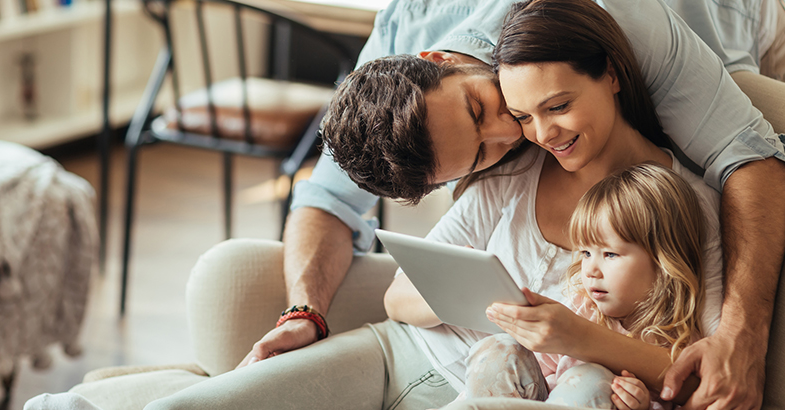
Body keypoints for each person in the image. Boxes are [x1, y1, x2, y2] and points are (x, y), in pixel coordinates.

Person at [268, 0, 785, 409]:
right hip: (479, 362)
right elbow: (329, 198)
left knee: (741, 76)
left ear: (439, 60)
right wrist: (303, 312)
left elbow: (749, 154)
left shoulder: (621, 23)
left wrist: (744, 337)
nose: (515, 132)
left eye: (477, 110)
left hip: (734, 13)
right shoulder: (405, 28)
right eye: (478, 155)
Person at [455, 163, 710, 410]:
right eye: (586, 253)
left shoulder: (680, 341)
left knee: (591, 380)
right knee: (500, 347)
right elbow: (535, 373)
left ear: (663, 260)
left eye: (610, 254)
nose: (591, 270)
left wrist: (642, 405)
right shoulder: (582, 308)